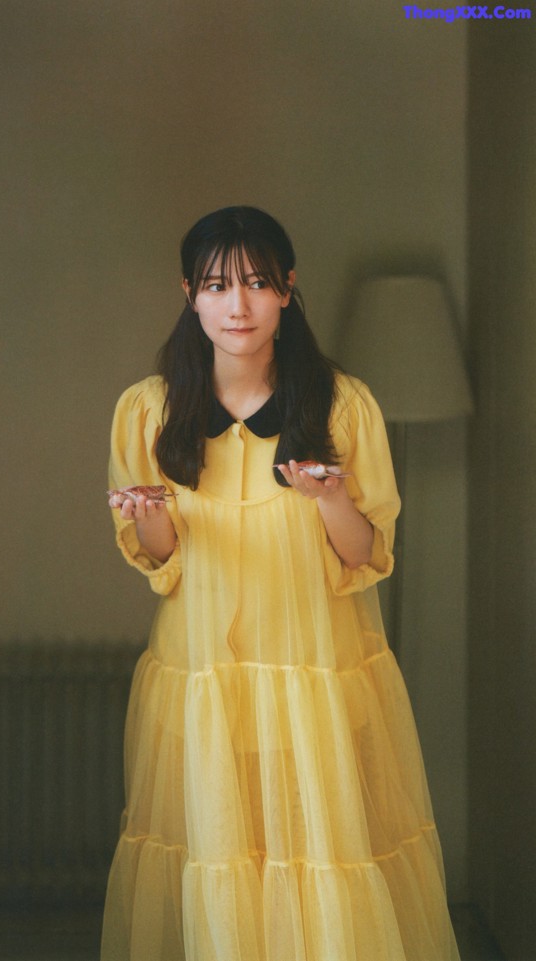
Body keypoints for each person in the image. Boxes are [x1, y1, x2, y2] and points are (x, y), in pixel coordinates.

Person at [100, 206, 460, 961]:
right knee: (217, 870)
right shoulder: (148, 409)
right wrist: (150, 514)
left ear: (289, 290)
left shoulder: (343, 404)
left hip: (315, 685)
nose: (238, 305)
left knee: (319, 874)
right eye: (218, 285)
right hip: (204, 679)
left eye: (258, 283)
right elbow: (162, 562)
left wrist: (330, 496)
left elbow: (364, 555)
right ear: (189, 294)